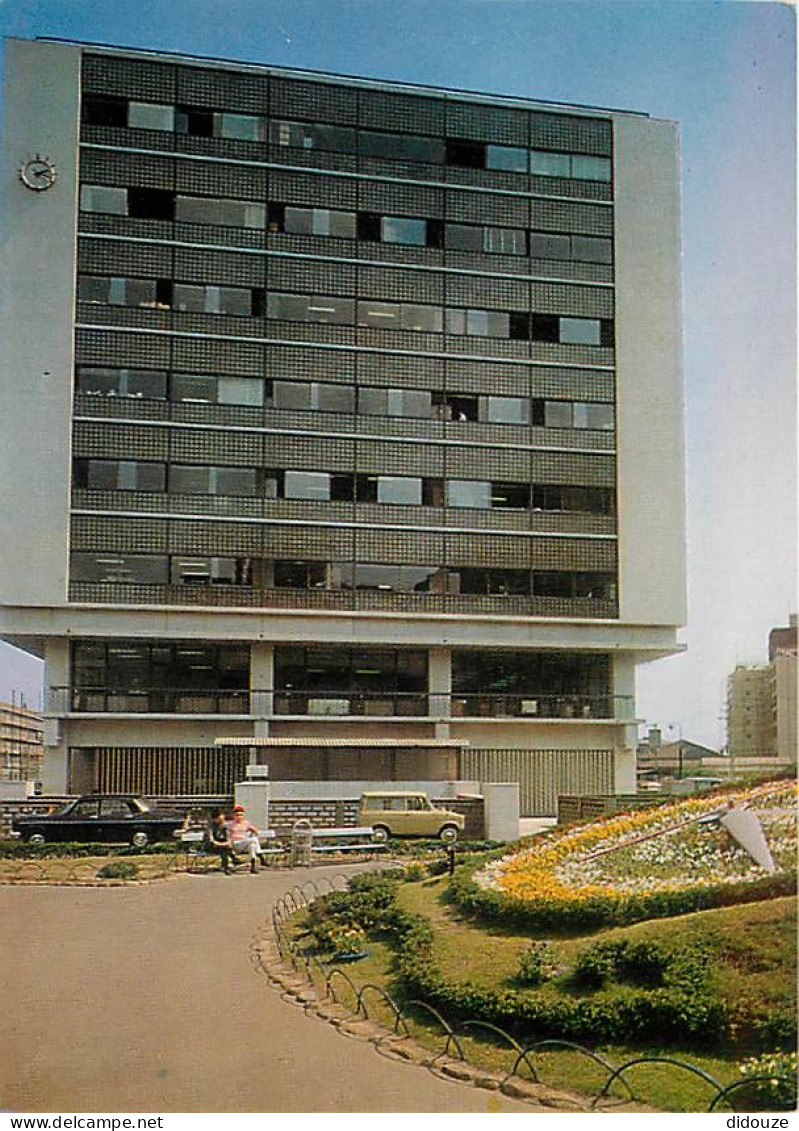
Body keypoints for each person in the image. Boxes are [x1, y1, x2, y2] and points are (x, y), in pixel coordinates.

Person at [228, 804, 267, 873]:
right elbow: (227, 835)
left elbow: (255, 830)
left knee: (252, 846)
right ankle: (261, 857)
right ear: (234, 816)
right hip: (236, 844)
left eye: (241, 815)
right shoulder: (230, 824)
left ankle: (253, 867)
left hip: (245, 844)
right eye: (237, 815)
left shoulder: (246, 823)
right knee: (254, 839)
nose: (239, 817)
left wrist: (254, 830)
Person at [207, 809, 235, 874]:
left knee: (225, 849)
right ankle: (232, 861)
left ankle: (226, 866)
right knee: (225, 849)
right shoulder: (210, 827)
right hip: (211, 846)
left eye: (223, 819)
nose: (222, 821)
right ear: (215, 819)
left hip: (222, 845)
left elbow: (229, 839)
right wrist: (224, 844)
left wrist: (226, 843)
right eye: (220, 820)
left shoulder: (225, 826)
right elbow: (212, 841)